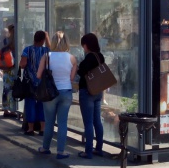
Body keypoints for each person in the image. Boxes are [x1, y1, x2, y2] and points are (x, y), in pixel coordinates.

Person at [36, 31, 77, 159]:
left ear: (52, 42)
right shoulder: (72, 58)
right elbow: (71, 78)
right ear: (67, 42)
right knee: (62, 123)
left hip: (50, 93)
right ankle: (61, 151)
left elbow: (38, 75)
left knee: (49, 122)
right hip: (66, 92)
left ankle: (45, 148)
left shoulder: (46, 56)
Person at [76, 33, 105, 159]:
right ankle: (98, 148)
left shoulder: (89, 58)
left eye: (83, 45)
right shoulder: (100, 56)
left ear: (86, 45)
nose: (83, 48)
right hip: (98, 91)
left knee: (88, 122)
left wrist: (77, 67)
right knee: (97, 121)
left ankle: (88, 151)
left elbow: (82, 72)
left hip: (87, 92)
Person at [19, 30, 49, 136]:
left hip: (30, 82)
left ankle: (30, 129)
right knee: (41, 104)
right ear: (43, 40)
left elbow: (22, 65)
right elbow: (51, 50)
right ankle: (42, 129)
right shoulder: (46, 51)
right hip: (42, 83)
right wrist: (47, 37)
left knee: (30, 104)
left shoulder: (27, 49)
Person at [1, 24, 17, 118]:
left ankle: (5, 109)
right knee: (12, 89)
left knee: (6, 89)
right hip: (13, 68)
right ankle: (13, 110)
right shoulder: (17, 41)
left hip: (6, 68)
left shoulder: (6, 41)